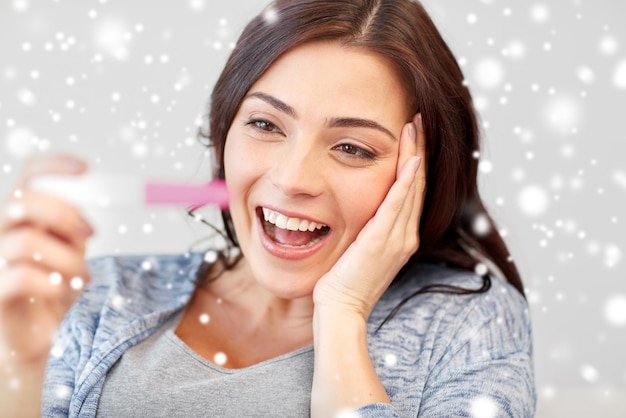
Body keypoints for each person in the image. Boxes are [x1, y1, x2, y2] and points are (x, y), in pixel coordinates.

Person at [0, 0, 536, 416]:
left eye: (353, 147)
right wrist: (19, 365)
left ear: (421, 172)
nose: (292, 179)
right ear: (224, 131)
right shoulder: (100, 295)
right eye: (265, 124)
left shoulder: (468, 324)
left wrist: (343, 312)